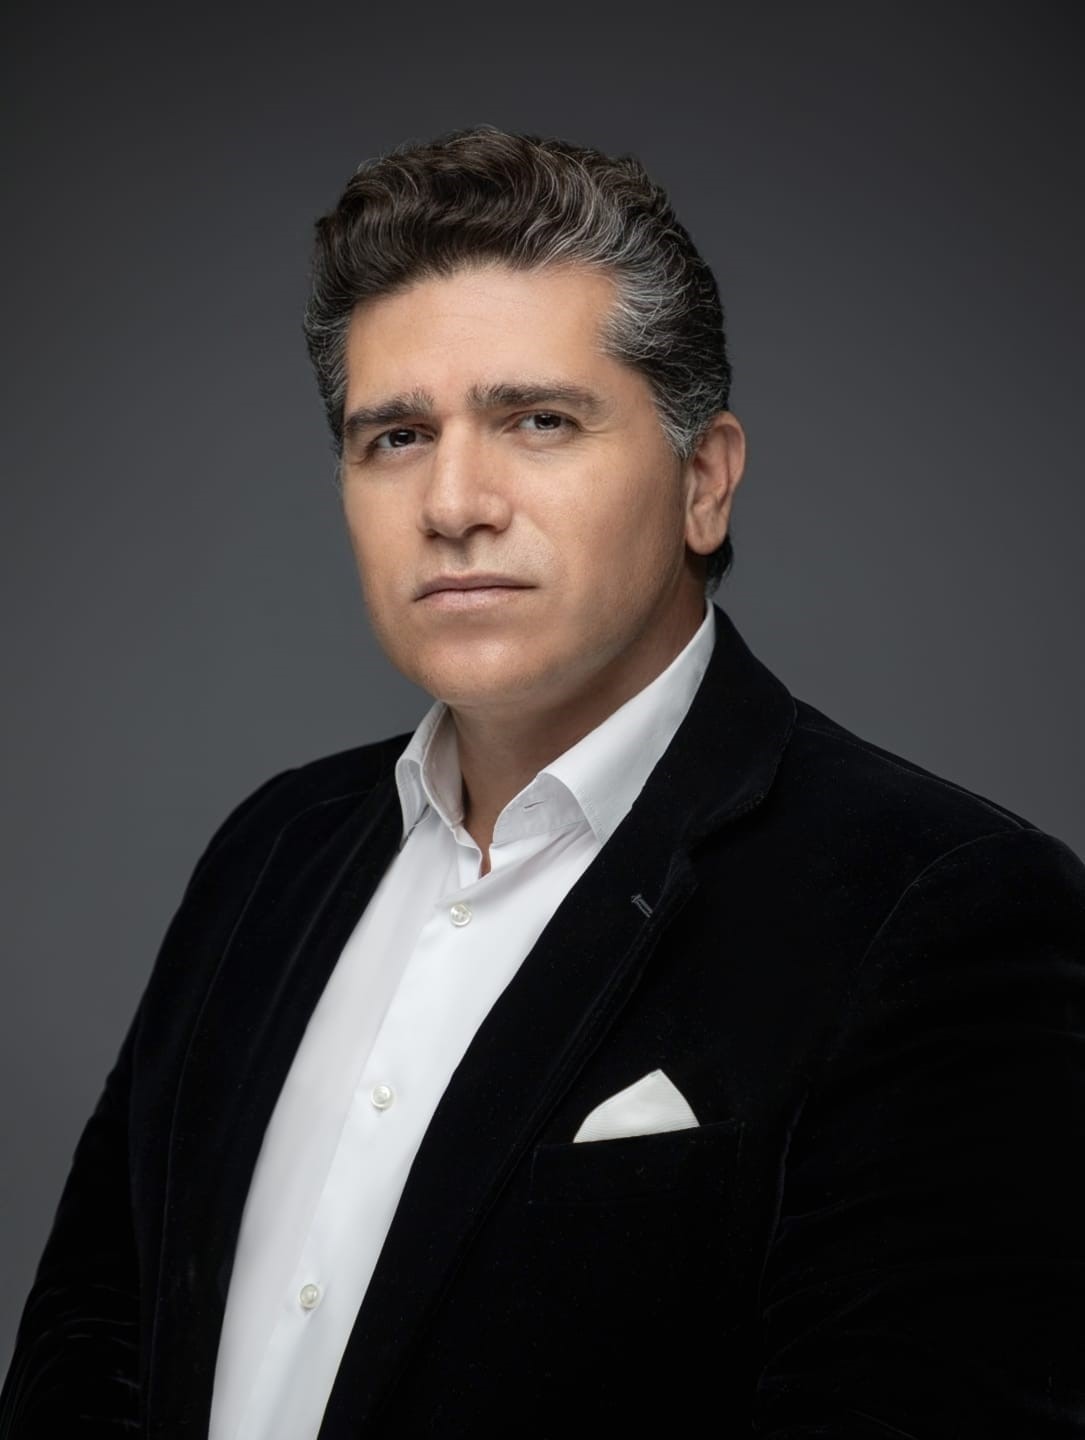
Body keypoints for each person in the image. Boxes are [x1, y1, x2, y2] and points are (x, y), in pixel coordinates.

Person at [2, 125, 1084, 1440]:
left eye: (538, 420)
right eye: (396, 435)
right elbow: (91, 1338)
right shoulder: (269, 851)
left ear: (703, 482)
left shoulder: (941, 910)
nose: (453, 501)